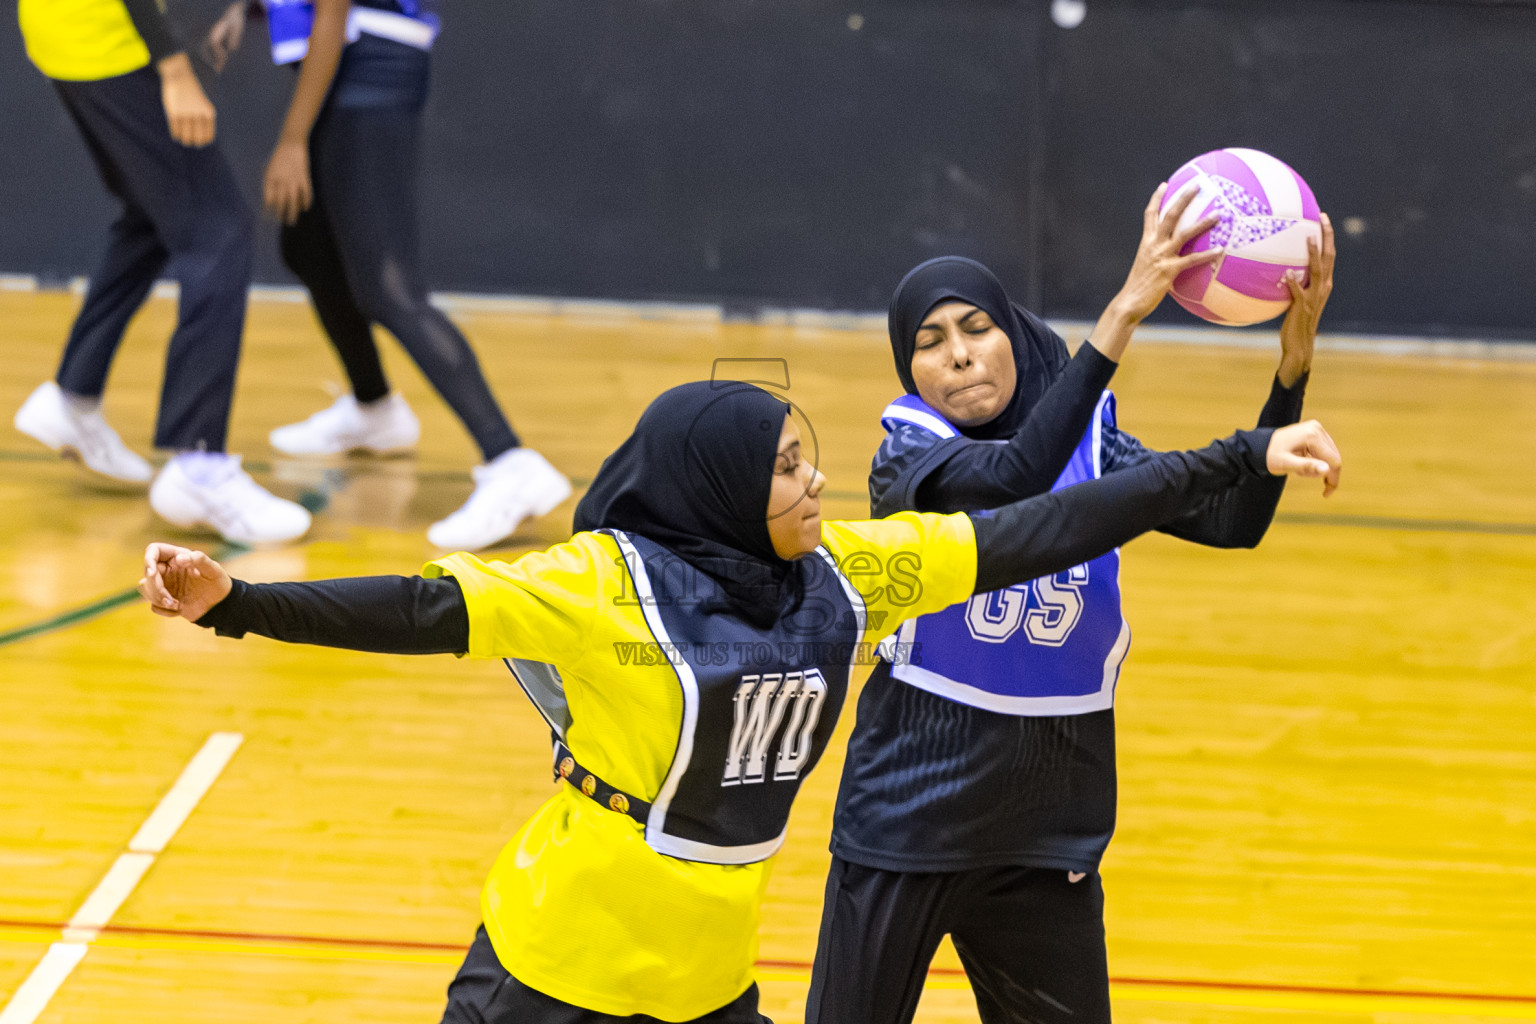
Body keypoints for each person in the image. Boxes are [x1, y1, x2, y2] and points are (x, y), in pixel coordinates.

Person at [138, 377, 1340, 1023]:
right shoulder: (602, 583)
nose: (815, 481)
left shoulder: (852, 573)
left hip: (705, 984)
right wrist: (236, 601)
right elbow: (413, 609)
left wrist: (1240, 456)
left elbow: (1044, 527)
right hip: (549, 972)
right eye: (784, 466)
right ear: (716, 486)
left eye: (807, 457)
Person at [805, 190, 1337, 1024]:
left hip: (1044, 831)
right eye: (929, 342)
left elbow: (1233, 523)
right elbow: (1013, 476)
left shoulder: (1095, 445)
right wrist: (1124, 313)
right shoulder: (909, 461)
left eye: (976, 328)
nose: (959, 356)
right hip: (909, 818)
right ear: (909, 370)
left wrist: (1291, 373)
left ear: (1014, 337)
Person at [202, 0, 569, 550]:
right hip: (347, 65)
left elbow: (332, 12)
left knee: (389, 288)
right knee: (309, 246)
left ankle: (511, 463)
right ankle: (374, 410)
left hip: (367, 67)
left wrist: (293, 141)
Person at [13, 0, 312, 544]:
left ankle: (73, 396)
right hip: (113, 43)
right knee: (218, 232)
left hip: (64, 37)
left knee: (150, 214)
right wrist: (174, 70)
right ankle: (198, 463)